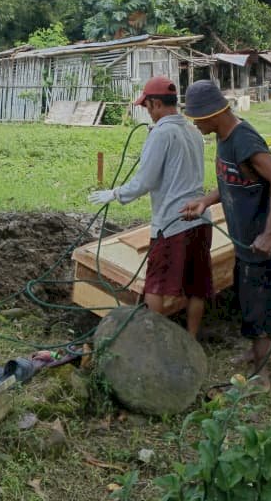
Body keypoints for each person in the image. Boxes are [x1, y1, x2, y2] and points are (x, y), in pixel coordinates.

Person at [181, 80, 271, 388]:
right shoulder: (224, 137)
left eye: (197, 119)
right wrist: (205, 201)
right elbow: (234, 179)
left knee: (261, 306)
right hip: (246, 239)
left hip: (262, 241)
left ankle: (261, 375)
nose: (196, 125)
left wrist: (269, 234)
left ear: (212, 114)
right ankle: (255, 353)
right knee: (248, 299)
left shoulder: (243, 140)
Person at [87, 76, 212, 338]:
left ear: (155, 103)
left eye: (147, 107)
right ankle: (191, 339)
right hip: (201, 219)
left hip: (173, 222)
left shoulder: (161, 134)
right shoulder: (193, 131)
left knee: (157, 284)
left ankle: (154, 343)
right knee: (196, 285)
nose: (147, 112)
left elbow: (145, 181)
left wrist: (115, 194)